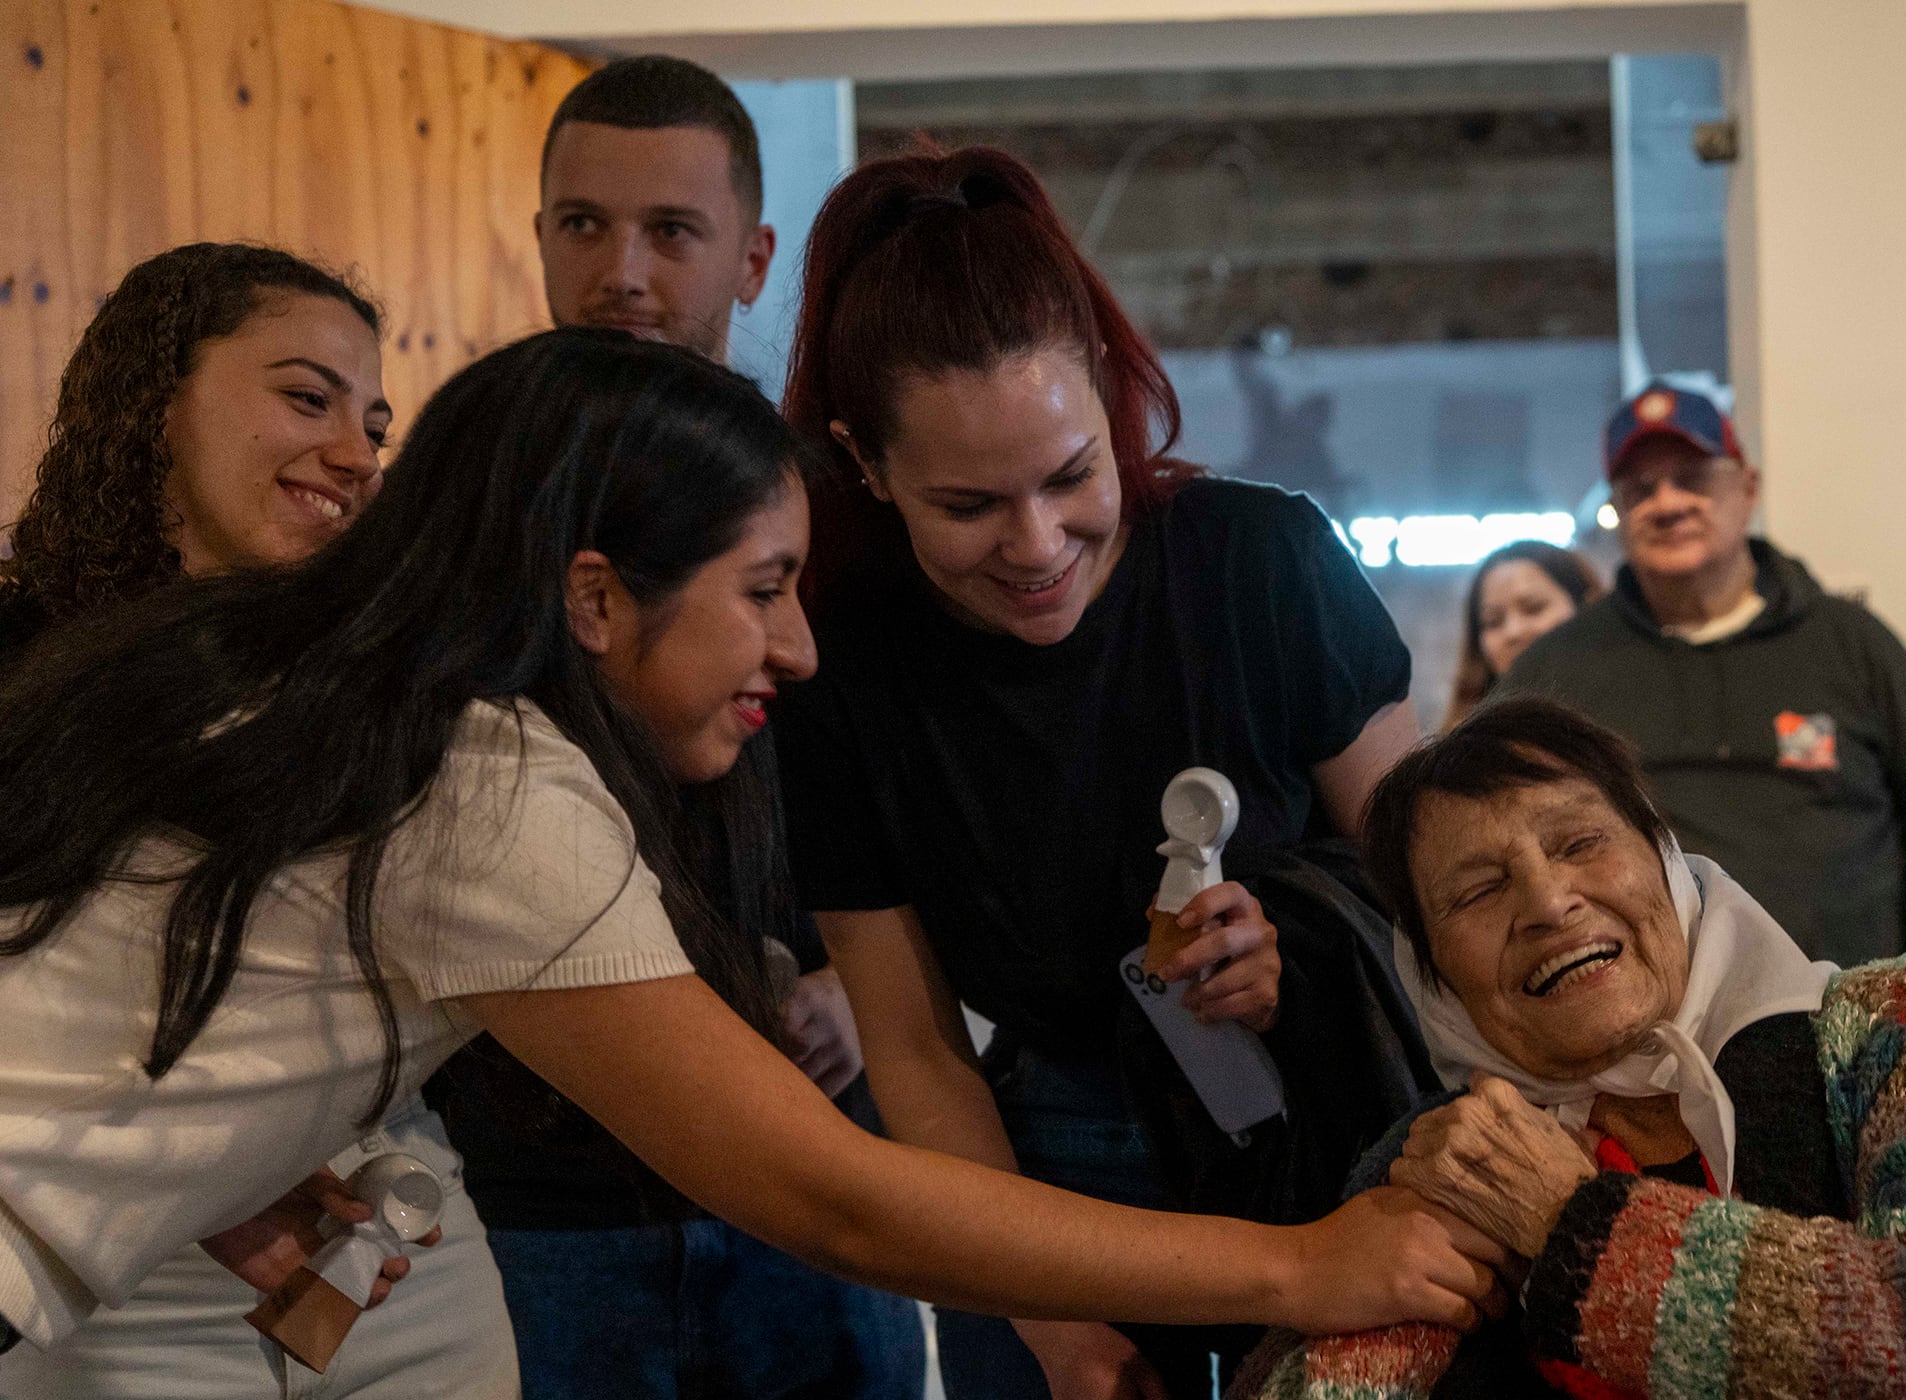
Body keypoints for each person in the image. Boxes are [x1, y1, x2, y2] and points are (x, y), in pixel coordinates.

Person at [0, 331, 1505, 1377]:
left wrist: (218, 1168)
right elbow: (830, 1194)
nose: (798, 649)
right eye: (764, 588)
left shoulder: (353, 699)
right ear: (595, 599)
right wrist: (1301, 1264)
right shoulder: (487, 786)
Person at [772, 147, 1436, 1400]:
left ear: (1111, 390)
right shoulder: (841, 660)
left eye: (1073, 475)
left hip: (1333, 1123)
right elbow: (914, 1048)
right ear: (864, 462)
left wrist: (1294, 945)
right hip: (1042, 1165)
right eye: (968, 505)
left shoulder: (1262, 559)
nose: (1037, 546)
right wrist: (1052, 1323)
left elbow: (1433, 894)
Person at [431, 55, 923, 1398]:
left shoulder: (838, 512)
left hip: (813, 1136)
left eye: (672, 231)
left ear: (753, 259)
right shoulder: (465, 502)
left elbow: (921, 793)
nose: (625, 275)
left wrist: (866, 989)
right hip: (533, 1190)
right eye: (585, 225)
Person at [1237, 697, 1906, 1400]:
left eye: (1581, 843)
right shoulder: (1451, 1156)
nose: (1548, 902)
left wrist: (1576, 1227)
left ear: (1666, 860)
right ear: (1431, 975)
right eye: (1479, 891)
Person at [0, 242, 520, 1399]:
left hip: (395, 1240)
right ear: (155, 401)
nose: (356, 454)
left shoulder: (386, 677)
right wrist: (201, 1179)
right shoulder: (20, 660)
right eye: (307, 398)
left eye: (375, 427)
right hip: (112, 1282)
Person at [1501, 380, 1906, 965]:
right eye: (1641, 490)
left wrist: (1871, 937)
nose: (1668, 503)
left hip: (1839, 1003)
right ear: (1620, 512)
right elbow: (1488, 828)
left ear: (1748, 488)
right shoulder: (1558, 669)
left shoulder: (1848, 641)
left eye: (1693, 478)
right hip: (1652, 1013)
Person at [1444, 542, 1600, 728]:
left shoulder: (1623, 702)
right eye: (1493, 621)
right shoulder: (1467, 737)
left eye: (1533, 608)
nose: (1513, 632)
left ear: (1588, 606)